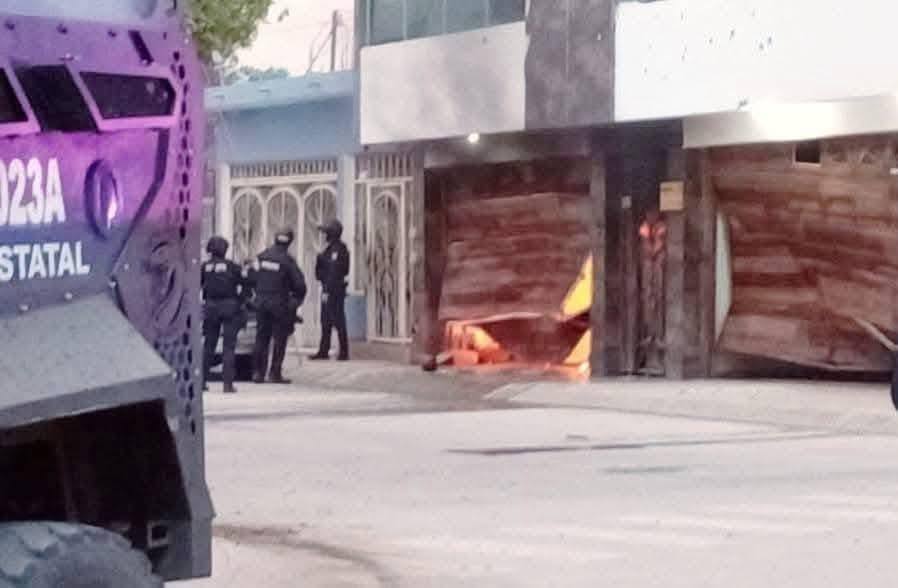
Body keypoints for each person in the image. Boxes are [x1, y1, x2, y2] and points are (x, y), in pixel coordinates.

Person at [250, 228, 307, 384]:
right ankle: (274, 373)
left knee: (261, 337)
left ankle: (258, 373)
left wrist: (258, 294)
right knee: (279, 339)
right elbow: (300, 285)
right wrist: (294, 302)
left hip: (261, 302)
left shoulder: (261, 257)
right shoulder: (287, 261)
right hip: (279, 304)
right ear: (289, 242)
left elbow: (251, 277)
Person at [202, 236, 250, 394]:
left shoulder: (204, 267)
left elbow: (198, 285)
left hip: (210, 307)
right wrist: (240, 300)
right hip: (230, 307)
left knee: (209, 345)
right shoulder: (232, 267)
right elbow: (247, 284)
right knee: (229, 346)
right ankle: (227, 385)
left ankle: (201, 381)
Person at [310, 219, 351, 361]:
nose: (324, 235)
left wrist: (327, 290)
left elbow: (334, 272)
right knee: (325, 320)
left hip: (333, 290)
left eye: (326, 232)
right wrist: (319, 258)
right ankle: (324, 350)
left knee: (338, 320)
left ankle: (344, 352)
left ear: (332, 233)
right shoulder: (330, 249)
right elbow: (322, 271)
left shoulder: (337, 250)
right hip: (329, 288)